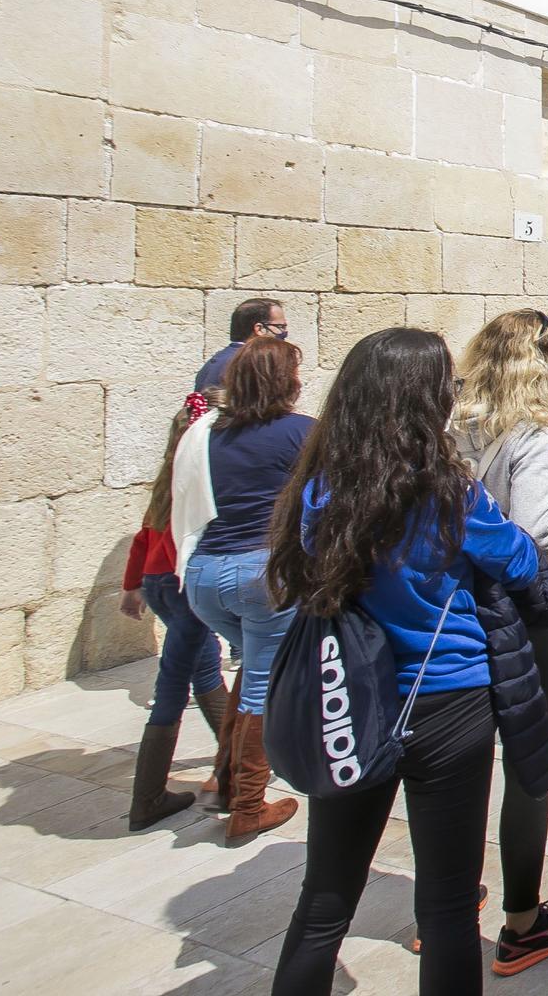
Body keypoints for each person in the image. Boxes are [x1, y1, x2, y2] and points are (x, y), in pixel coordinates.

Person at [267, 328, 548, 994]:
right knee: (449, 905)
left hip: (349, 695)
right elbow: (517, 557)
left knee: (325, 898)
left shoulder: (317, 491)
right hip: (448, 700)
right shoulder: (445, 493)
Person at [452, 309, 548, 972]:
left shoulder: (457, 427)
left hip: (465, 607)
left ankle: (448, 907)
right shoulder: (534, 438)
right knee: (528, 763)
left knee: (460, 763)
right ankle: (523, 922)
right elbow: (536, 526)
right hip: (530, 609)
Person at [178, 334, 311, 841]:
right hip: (260, 573)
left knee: (253, 672)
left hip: (204, 573)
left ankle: (223, 780)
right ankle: (248, 805)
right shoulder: (300, 433)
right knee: (259, 682)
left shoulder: (205, 431)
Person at [119, 396, 230, 830]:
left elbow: (143, 538)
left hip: (158, 584)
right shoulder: (198, 480)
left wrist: (133, 586)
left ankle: (238, 759)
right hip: (183, 588)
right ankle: (147, 797)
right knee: (171, 687)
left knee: (203, 670)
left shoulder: (166, 479)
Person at [194, 297, 287, 396]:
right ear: (259, 329)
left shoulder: (221, 358)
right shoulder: (252, 363)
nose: (284, 333)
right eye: (280, 327)